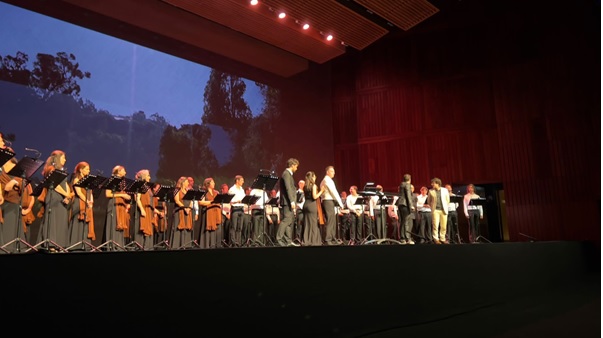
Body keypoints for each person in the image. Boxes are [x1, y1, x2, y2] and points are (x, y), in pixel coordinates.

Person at [37, 150, 73, 251]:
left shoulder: (62, 170)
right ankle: (50, 245)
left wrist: (68, 196)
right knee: (53, 220)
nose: (65, 160)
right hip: (54, 197)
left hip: (62, 198)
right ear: (58, 158)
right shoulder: (51, 169)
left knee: (61, 222)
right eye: (63, 157)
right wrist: (66, 194)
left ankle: (59, 245)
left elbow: (65, 184)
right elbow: (55, 185)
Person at [67, 161, 95, 251]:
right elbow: (78, 192)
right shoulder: (76, 179)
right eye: (87, 169)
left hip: (87, 203)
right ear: (81, 170)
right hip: (79, 203)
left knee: (86, 224)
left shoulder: (88, 181)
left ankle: (85, 244)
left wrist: (91, 201)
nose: (89, 171)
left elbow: (90, 192)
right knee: (78, 223)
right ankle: (75, 245)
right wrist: (86, 201)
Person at [102, 165, 131, 250]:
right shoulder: (111, 181)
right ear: (118, 171)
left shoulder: (123, 182)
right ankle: (112, 246)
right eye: (123, 171)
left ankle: (119, 246)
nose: (125, 173)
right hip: (114, 204)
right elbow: (108, 194)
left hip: (121, 205)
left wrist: (127, 201)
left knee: (120, 226)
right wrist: (122, 195)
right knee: (114, 224)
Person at [276, 158, 300, 247]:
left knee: (290, 221)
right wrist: (292, 201)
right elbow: (288, 188)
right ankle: (279, 238)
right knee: (286, 220)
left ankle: (288, 241)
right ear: (292, 165)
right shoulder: (286, 174)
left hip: (289, 202)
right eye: (296, 167)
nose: (296, 169)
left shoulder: (289, 174)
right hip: (287, 202)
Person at [132, 169, 158, 250]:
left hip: (149, 211)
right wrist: (142, 209)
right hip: (143, 210)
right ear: (144, 177)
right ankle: (140, 247)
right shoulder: (140, 186)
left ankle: (148, 247)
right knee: (142, 230)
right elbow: (137, 198)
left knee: (148, 230)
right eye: (148, 176)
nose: (150, 177)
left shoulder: (147, 187)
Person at [320, 165, 344, 245]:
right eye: (332, 171)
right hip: (328, 201)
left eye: (334, 171)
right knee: (330, 220)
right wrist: (340, 203)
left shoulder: (328, 180)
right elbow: (334, 192)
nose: (334, 173)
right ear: (327, 172)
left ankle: (332, 238)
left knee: (332, 220)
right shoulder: (327, 180)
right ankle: (328, 239)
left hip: (329, 201)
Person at [302, 171, 325, 246]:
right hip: (312, 205)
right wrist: (321, 191)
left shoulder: (305, 186)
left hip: (305, 205)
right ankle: (313, 241)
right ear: (312, 177)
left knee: (307, 224)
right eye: (314, 177)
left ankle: (306, 240)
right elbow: (314, 196)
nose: (315, 178)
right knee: (313, 224)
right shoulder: (313, 186)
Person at [199, 177, 222, 248]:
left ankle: (213, 245)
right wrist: (210, 202)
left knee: (215, 229)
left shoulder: (216, 192)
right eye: (212, 182)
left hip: (215, 213)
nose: (214, 183)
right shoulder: (204, 192)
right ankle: (205, 245)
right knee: (207, 229)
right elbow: (200, 202)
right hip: (207, 213)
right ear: (208, 183)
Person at [171, 176, 193, 249]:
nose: (188, 183)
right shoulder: (177, 190)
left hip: (187, 212)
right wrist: (184, 208)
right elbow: (177, 201)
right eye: (187, 181)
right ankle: (177, 245)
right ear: (183, 182)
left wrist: (188, 209)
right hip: (179, 211)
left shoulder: (187, 191)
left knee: (187, 227)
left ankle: (186, 245)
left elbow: (191, 201)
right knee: (179, 227)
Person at [427, 177, 450, 244]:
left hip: (443, 210)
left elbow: (447, 200)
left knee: (443, 225)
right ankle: (436, 239)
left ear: (438, 183)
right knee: (435, 225)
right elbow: (429, 201)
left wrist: (445, 206)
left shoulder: (445, 190)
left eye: (433, 183)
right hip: (435, 210)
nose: (432, 184)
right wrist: (432, 208)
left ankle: (442, 238)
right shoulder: (431, 191)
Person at [397, 174, 415, 245]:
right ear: (410, 179)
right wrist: (411, 206)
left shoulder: (401, 184)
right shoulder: (407, 185)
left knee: (402, 221)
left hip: (400, 204)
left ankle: (402, 238)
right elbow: (408, 196)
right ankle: (408, 238)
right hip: (405, 204)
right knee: (406, 221)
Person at [228, 175, 246, 247]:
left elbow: (244, 198)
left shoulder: (242, 189)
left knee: (239, 227)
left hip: (241, 209)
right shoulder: (232, 189)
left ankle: (238, 242)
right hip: (235, 209)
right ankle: (233, 242)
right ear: (237, 181)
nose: (243, 182)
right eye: (242, 180)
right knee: (234, 227)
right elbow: (230, 200)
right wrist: (238, 201)